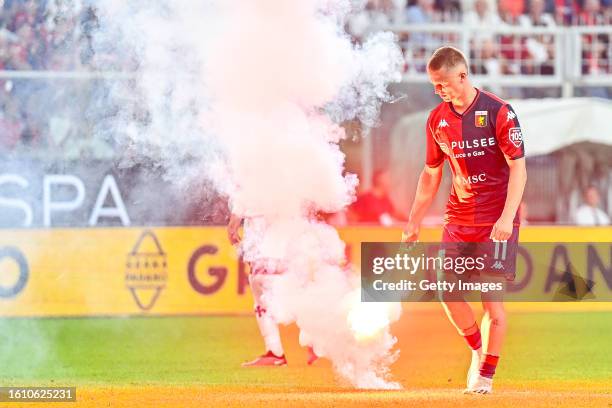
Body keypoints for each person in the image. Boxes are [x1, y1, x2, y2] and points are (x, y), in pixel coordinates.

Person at [402, 46, 527, 394]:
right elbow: (430, 175)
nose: (439, 90)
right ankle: (475, 350)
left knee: (492, 301)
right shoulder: (436, 120)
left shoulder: (499, 111)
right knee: (446, 289)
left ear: (462, 75)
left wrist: (506, 217)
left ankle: (485, 376)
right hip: (459, 218)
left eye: (443, 83)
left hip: (496, 220)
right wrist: (413, 221)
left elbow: (519, 167)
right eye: (434, 85)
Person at [227, 214, 318, 367]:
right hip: (281, 253)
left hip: (265, 256)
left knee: (268, 300)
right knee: (283, 300)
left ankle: (278, 352)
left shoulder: (248, 194)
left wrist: (234, 231)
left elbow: (234, 226)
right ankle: (313, 344)